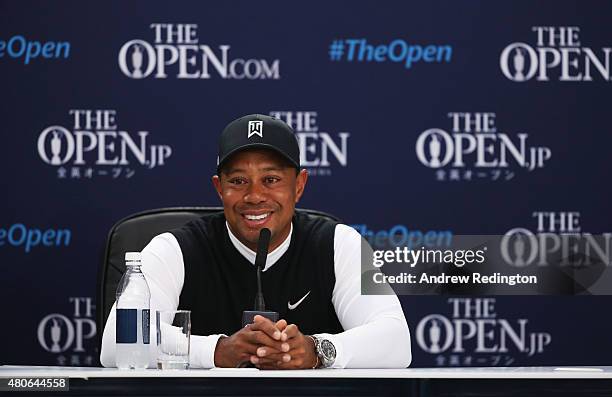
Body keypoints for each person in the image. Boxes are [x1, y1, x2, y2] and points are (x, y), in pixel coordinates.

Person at [100, 114, 411, 369]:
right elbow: (117, 341)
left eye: (271, 179)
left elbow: (397, 341)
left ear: (299, 185)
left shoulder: (337, 244)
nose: (254, 196)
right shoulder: (174, 249)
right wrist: (218, 350)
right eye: (238, 181)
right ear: (219, 188)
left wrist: (317, 350)